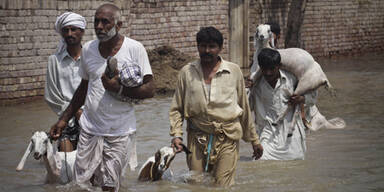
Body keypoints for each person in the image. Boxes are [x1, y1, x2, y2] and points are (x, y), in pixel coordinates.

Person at [49, 3, 154, 192]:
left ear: (118, 25)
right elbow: (83, 88)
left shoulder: (134, 49)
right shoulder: (88, 49)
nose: (98, 26)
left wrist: (118, 89)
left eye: (105, 22)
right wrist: (63, 119)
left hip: (119, 131)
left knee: (110, 186)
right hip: (89, 129)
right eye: (96, 21)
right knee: (82, 184)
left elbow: (149, 90)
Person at [170, 26, 263, 187]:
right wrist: (176, 135)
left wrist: (254, 140)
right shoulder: (187, 72)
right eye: (203, 46)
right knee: (195, 183)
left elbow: (244, 107)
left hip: (227, 136)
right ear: (197, 47)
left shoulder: (233, 71)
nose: (207, 50)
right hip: (197, 137)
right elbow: (177, 108)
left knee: (222, 184)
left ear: (220, 48)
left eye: (212, 46)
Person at [248, 48, 317, 160]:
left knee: (295, 167)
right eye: (264, 69)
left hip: (292, 134)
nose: (268, 73)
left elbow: (313, 97)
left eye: (272, 69)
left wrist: (301, 99)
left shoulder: (292, 80)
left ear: (279, 66)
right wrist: (245, 89)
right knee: (260, 164)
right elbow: (246, 107)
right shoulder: (256, 85)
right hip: (267, 134)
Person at [44, 12, 86, 152]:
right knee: (65, 166)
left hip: (91, 118)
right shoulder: (54, 61)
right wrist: (74, 112)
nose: (69, 34)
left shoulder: (91, 58)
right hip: (66, 119)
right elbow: (51, 95)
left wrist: (84, 112)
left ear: (82, 32)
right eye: (65, 30)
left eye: (73, 29)